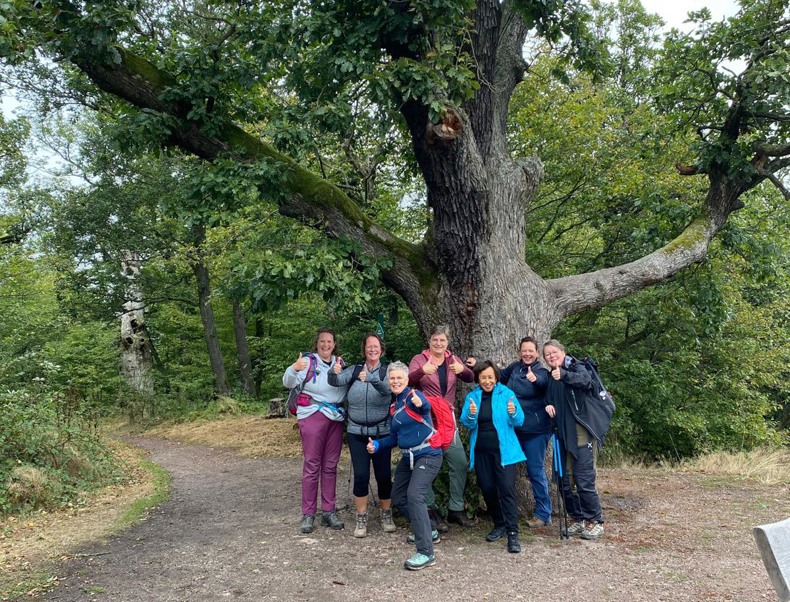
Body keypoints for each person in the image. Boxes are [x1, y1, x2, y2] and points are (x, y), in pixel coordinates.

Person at [367, 362, 442, 571]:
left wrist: (421, 403)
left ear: (407, 379)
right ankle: (430, 529)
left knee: (415, 496)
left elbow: (424, 407)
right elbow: (394, 438)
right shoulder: (395, 405)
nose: (395, 381)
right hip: (408, 457)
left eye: (399, 378)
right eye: (392, 378)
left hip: (428, 455)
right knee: (398, 496)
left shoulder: (414, 397)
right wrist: (378, 445)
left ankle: (426, 552)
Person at [328, 332, 395, 538]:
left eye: (376, 346)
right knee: (361, 475)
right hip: (357, 431)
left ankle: (386, 514)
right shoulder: (355, 369)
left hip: (381, 433)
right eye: (369, 346)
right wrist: (333, 371)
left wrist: (372, 379)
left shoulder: (387, 371)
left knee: (384, 476)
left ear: (381, 350)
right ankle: (361, 517)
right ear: (364, 349)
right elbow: (335, 382)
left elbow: (388, 390)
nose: (372, 350)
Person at [542, 339, 611, 540]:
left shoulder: (576, 367)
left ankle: (595, 521)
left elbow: (586, 382)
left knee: (583, 478)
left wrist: (564, 375)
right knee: (564, 480)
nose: (551, 356)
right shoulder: (551, 377)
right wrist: (548, 405)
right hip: (562, 432)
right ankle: (577, 518)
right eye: (547, 354)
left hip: (581, 431)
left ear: (563, 352)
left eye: (554, 352)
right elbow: (550, 399)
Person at [408, 325, 475, 529]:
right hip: (426, 418)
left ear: (447, 342)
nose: (438, 343)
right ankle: (430, 510)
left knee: (459, 462)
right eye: (435, 340)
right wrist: (423, 371)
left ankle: (456, 508)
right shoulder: (419, 359)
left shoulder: (452, 359)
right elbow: (408, 380)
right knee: (426, 461)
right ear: (429, 341)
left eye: (442, 340)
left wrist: (464, 369)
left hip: (447, 418)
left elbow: (470, 377)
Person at [282, 328, 348, 534]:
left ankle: (329, 511)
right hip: (312, 414)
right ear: (317, 344)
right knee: (312, 464)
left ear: (334, 344)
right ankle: (308, 514)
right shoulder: (308, 362)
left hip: (335, 417)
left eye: (329, 341)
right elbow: (287, 382)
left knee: (330, 465)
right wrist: (294, 368)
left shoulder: (340, 364)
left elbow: (345, 387)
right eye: (322, 341)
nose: (326, 345)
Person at [460, 360, 525, 553]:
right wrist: (471, 415)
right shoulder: (473, 397)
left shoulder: (507, 394)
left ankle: (513, 533)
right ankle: (499, 523)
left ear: (496, 377)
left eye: (490, 377)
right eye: (483, 378)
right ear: (478, 379)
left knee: (506, 489)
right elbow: (466, 423)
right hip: (481, 452)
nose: (487, 381)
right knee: (487, 488)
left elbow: (519, 420)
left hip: (505, 452)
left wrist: (513, 413)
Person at [500, 336, 553, 529]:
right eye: (524, 350)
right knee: (507, 471)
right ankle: (507, 511)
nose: (527, 354)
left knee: (535, 471)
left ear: (537, 352)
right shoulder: (515, 367)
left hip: (535, 431)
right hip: (514, 430)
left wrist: (535, 379)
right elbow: (497, 375)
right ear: (519, 352)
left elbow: (543, 384)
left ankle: (543, 513)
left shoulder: (541, 372)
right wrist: (476, 366)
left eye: (531, 350)